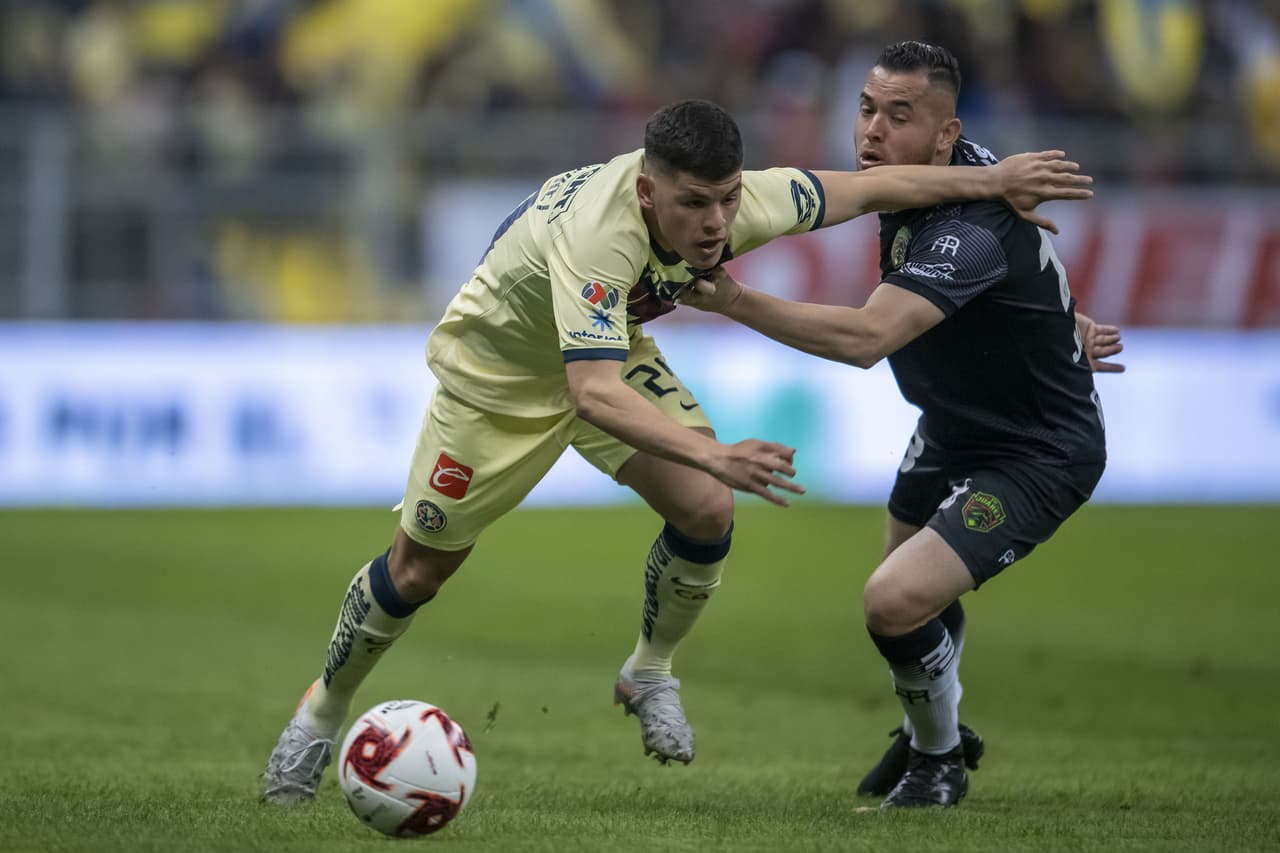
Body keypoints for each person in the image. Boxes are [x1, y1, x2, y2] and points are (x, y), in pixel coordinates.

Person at [261, 97, 1094, 803]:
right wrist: (716, 451)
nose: (718, 224)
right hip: (500, 379)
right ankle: (319, 719)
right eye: (696, 204)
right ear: (647, 190)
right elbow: (588, 394)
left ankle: (650, 671)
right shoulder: (599, 236)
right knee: (416, 572)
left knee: (706, 509)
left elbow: (869, 188)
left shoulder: (733, 203)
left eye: (728, 200)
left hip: (605, 354)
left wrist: (994, 180)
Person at [678, 43, 1124, 809]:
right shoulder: (944, 181)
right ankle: (930, 729)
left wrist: (733, 301)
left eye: (898, 116)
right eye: (865, 109)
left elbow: (865, 339)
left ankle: (939, 760)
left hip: (1037, 450)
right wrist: (1061, 321)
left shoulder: (970, 226)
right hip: (950, 423)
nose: (871, 132)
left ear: (946, 135)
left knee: (891, 602)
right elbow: (1020, 268)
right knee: (907, 604)